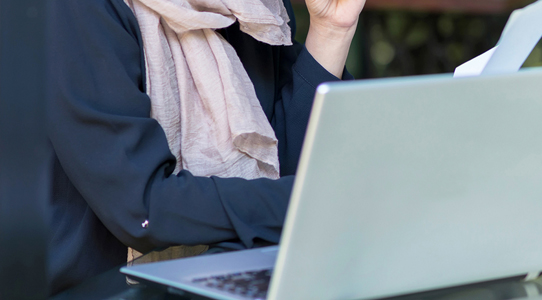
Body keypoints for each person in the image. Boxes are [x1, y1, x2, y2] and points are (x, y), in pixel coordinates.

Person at [47, 0, 364, 294]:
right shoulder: (78, 9)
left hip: (235, 274)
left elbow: (282, 167)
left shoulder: (258, 9)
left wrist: (332, 29)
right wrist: (315, 199)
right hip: (105, 288)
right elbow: (143, 209)